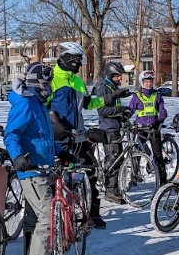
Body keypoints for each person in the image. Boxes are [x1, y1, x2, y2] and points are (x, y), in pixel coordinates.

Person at [49, 42, 128, 228]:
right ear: (69, 60)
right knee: (55, 179)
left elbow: (87, 104)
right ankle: (54, 217)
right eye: (78, 61)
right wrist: (52, 122)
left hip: (78, 137)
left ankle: (93, 214)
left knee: (90, 172)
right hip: (58, 138)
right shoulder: (51, 79)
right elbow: (42, 106)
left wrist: (110, 97)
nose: (80, 65)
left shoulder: (77, 81)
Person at [5, 63, 57, 255]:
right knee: (47, 215)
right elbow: (11, 134)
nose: (48, 88)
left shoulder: (38, 103)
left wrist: (61, 152)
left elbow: (42, 137)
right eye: (45, 83)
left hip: (43, 167)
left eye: (49, 83)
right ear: (36, 83)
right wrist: (17, 157)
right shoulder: (26, 104)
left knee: (35, 217)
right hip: (31, 170)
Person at [94, 61, 132, 204]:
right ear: (111, 74)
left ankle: (114, 187)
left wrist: (122, 114)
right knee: (114, 160)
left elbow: (113, 106)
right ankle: (111, 191)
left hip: (114, 127)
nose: (120, 79)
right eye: (118, 76)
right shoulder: (103, 87)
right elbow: (102, 110)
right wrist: (119, 111)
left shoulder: (111, 86)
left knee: (117, 159)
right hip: (108, 129)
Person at [127, 70, 169, 183]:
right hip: (141, 129)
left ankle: (162, 180)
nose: (149, 84)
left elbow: (162, 110)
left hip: (153, 129)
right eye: (146, 82)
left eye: (150, 81)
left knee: (158, 154)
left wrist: (160, 118)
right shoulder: (137, 96)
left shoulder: (157, 95)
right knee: (137, 154)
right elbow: (130, 110)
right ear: (142, 82)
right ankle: (134, 177)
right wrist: (125, 118)